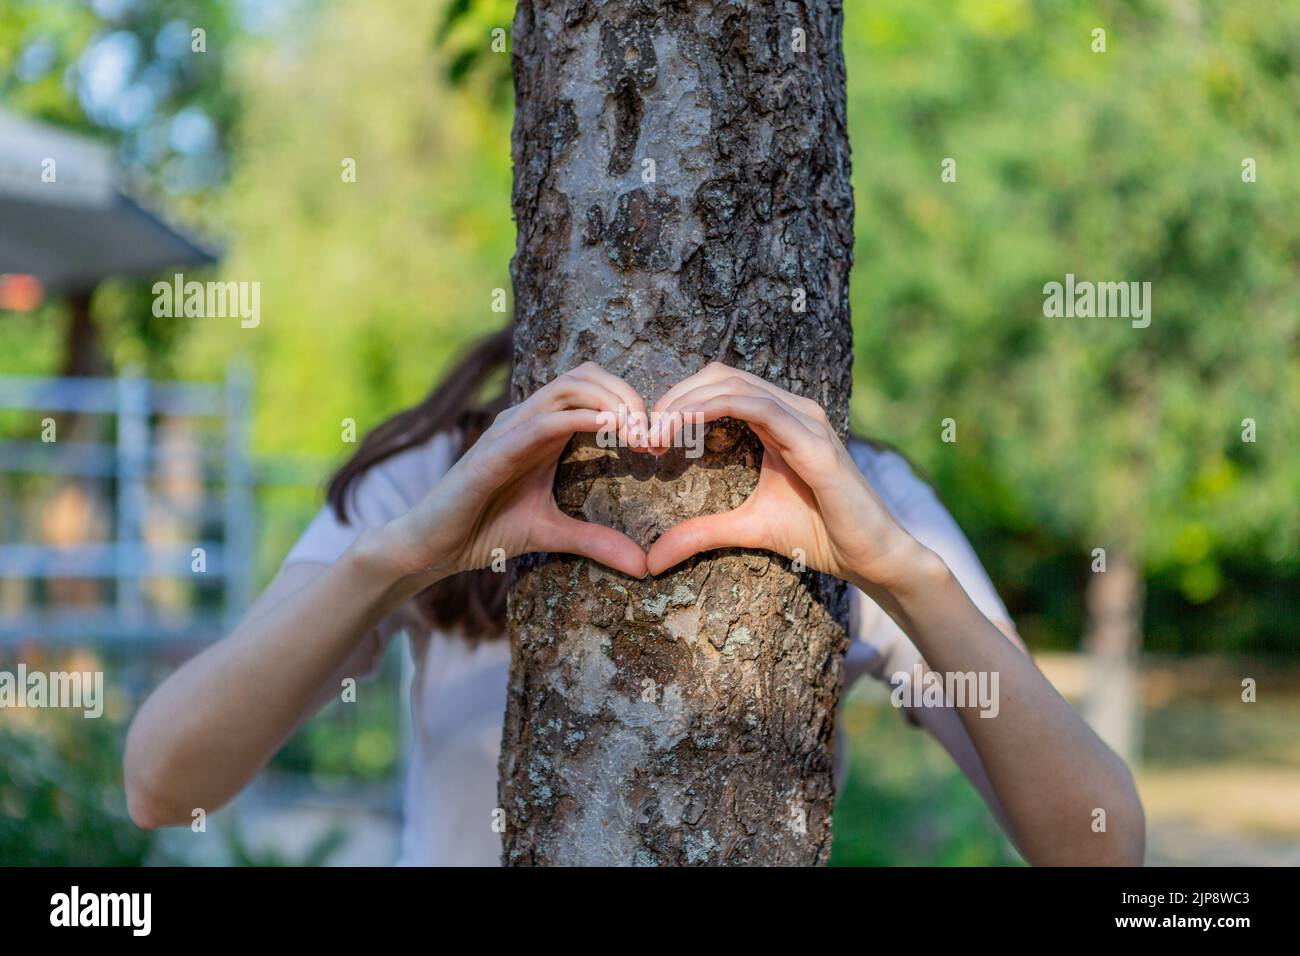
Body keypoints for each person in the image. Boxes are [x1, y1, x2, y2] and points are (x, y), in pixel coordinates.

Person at [124, 327, 1145, 865]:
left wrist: (897, 570)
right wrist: (398, 558)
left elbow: (1100, 847)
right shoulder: (446, 467)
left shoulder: (850, 486)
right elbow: (166, 782)